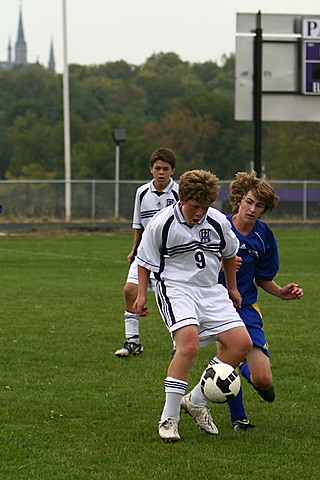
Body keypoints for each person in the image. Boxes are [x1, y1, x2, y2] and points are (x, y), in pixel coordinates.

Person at [134, 169, 252, 442]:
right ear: (181, 197)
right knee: (188, 346)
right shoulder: (162, 223)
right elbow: (144, 260)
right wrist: (141, 295)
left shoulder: (218, 222)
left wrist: (232, 288)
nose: (199, 213)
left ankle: (196, 399)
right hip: (176, 289)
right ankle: (169, 419)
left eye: (205, 206)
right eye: (194, 206)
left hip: (211, 290)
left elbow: (229, 253)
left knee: (241, 345)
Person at [217, 171, 303, 431]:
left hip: (246, 307)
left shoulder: (263, 236)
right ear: (239, 199)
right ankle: (239, 419)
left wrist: (279, 291)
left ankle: (247, 372)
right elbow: (194, 263)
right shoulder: (218, 226)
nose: (253, 209)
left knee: (263, 379)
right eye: (249, 202)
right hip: (216, 306)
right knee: (225, 361)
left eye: (260, 206)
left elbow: (263, 277)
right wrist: (221, 263)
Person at [115, 147, 179, 357]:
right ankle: (132, 341)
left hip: (170, 255)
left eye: (166, 169)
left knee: (173, 298)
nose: (161, 172)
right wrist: (134, 249)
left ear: (172, 171)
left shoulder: (180, 193)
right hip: (144, 252)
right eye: (157, 168)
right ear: (151, 169)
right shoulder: (142, 192)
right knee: (129, 291)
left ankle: (179, 344)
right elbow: (138, 224)